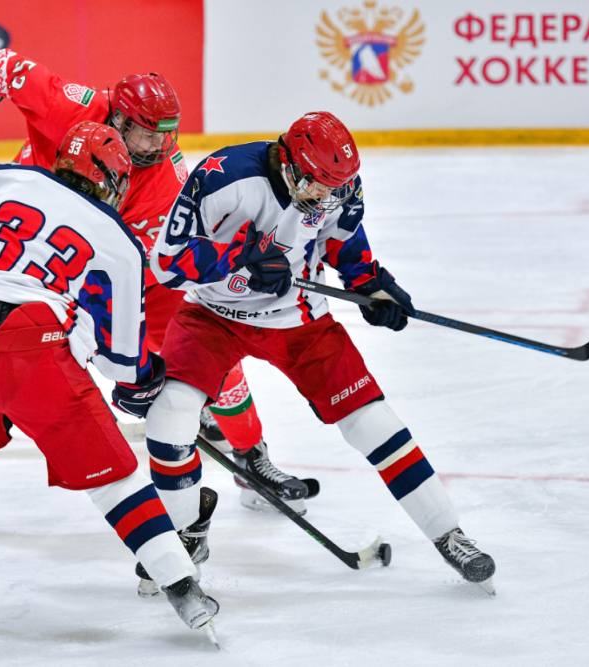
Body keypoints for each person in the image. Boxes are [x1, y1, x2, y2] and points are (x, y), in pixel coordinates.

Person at [0, 49, 316, 537]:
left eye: (165, 134)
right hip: (31, 249)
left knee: (201, 346)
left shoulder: (165, 184)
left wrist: (121, 354)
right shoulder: (69, 106)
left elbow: (137, 271)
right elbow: (0, 67)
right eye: (146, 133)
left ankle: (251, 456)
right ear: (116, 114)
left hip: (98, 268)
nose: (156, 145)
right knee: (2, 345)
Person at [144, 111, 497, 593]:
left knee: (374, 422)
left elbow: (346, 245)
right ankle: (184, 540)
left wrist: (373, 285)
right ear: (288, 162)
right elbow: (166, 261)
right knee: (169, 418)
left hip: (299, 320)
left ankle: (450, 534)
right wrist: (238, 259)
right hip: (212, 317)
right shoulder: (223, 176)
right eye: (316, 187)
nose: (325, 199)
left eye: (335, 189)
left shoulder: (337, 185)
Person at [0, 121, 219, 643]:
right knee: (115, 477)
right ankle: (184, 590)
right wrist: (141, 380)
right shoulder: (116, 239)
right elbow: (124, 362)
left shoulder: (2, 179)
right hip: (32, 355)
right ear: (114, 181)